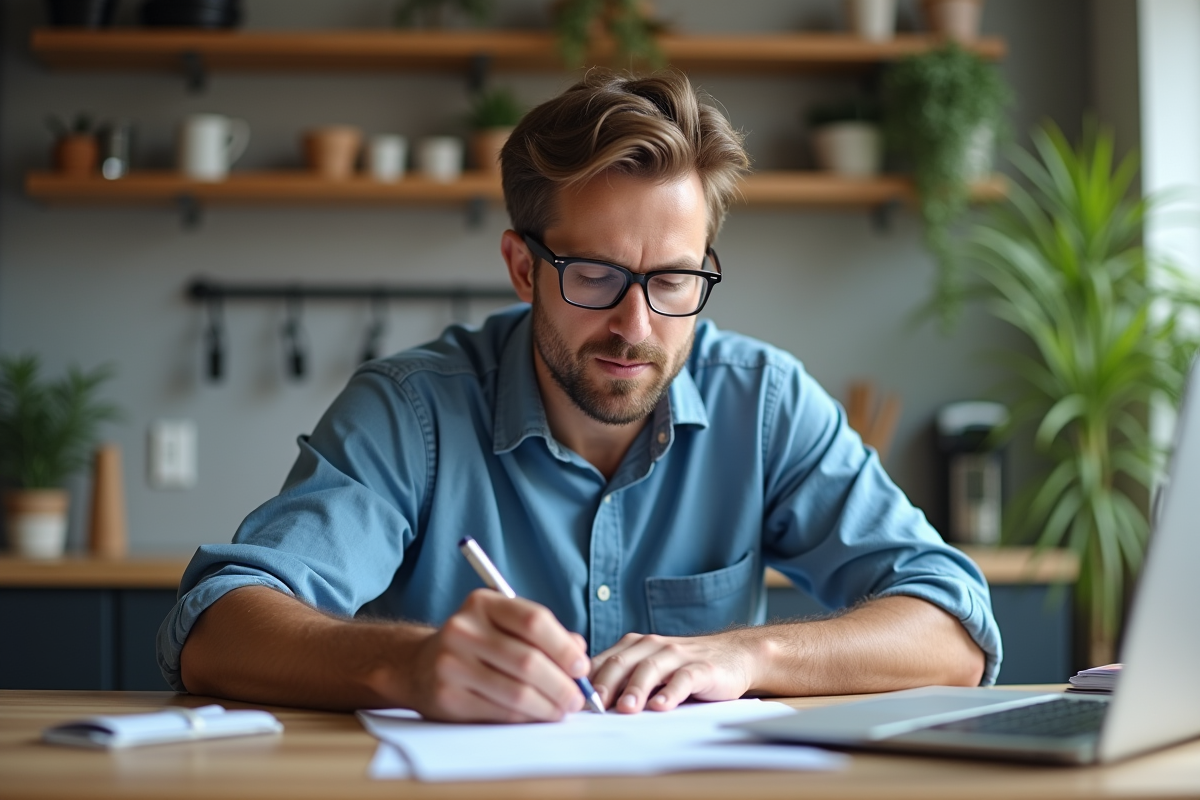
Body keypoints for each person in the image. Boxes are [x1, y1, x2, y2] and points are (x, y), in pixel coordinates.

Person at [159, 70, 1000, 723]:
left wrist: (748, 656)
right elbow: (217, 627)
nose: (636, 324)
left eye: (673, 279)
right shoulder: (410, 411)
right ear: (524, 268)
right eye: (595, 275)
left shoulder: (765, 403)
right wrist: (408, 666)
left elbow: (953, 630)